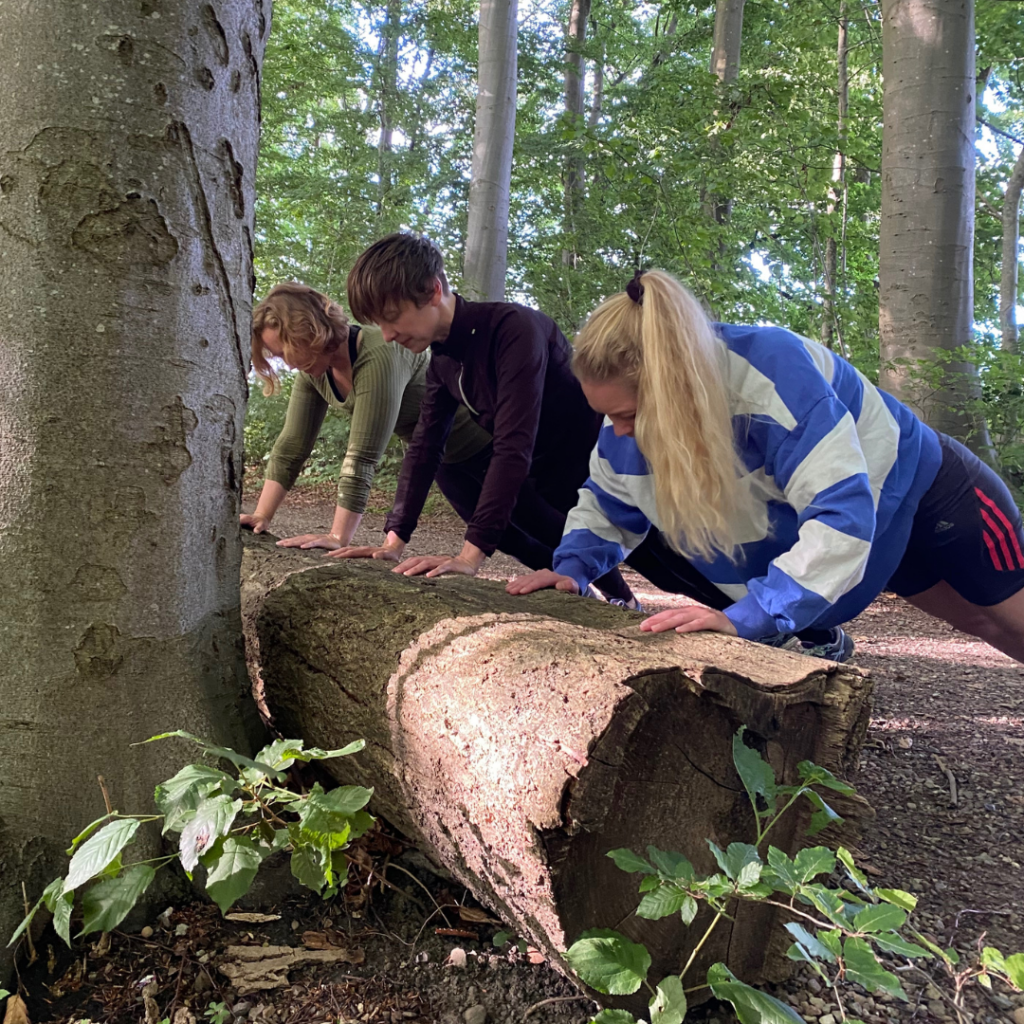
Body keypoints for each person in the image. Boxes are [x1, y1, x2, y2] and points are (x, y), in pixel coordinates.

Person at [507, 269, 1024, 666]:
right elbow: (609, 500)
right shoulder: (629, 423)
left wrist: (750, 616)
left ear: (674, 391)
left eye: (627, 416)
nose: (616, 431)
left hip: (932, 489)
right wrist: (571, 568)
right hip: (881, 527)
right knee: (981, 622)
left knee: (1010, 619)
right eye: (607, 416)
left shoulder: (772, 375)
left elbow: (840, 513)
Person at [325, 233, 651, 605]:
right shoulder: (443, 361)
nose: (386, 335)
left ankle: (635, 602)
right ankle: (612, 602)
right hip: (553, 483)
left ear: (433, 291)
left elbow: (513, 445)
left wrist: (469, 557)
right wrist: (393, 540)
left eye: (392, 317)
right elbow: (424, 447)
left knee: (675, 567)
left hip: (613, 473)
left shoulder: (514, 330)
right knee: (546, 538)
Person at [244, 282, 548, 568]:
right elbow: (291, 447)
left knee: (543, 525)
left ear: (308, 332)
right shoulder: (313, 372)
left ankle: (582, 583)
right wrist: (261, 516)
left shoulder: (378, 352)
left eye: (286, 351)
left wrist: (337, 538)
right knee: (512, 541)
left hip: (488, 448)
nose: (289, 363)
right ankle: (580, 593)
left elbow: (362, 456)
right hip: (441, 461)